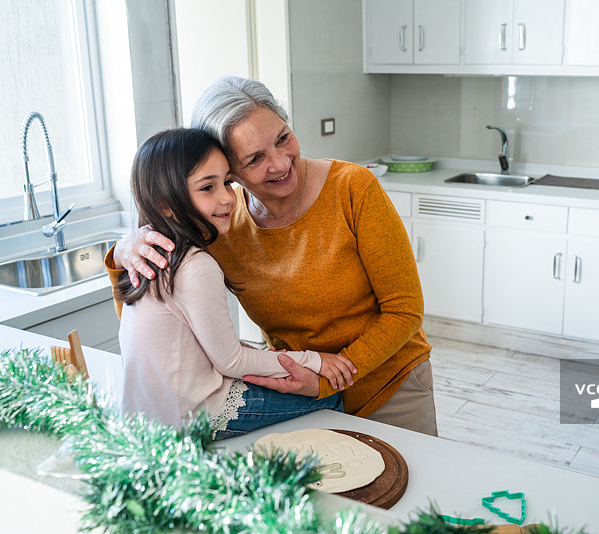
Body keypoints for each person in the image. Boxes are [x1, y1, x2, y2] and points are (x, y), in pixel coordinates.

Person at [108, 76, 438, 436]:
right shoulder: (219, 225)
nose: (281, 164)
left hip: (387, 386)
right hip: (299, 398)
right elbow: (152, 313)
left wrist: (329, 380)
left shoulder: (353, 189)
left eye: (283, 138)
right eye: (254, 159)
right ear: (228, 169)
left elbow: (404, 310)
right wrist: (122, 253)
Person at [115, 128, 351, 439]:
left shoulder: (150, 252)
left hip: (148, 415)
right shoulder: (196, 265)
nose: (228, 197)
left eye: (227, 182)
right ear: (165, 204)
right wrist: (315, 360)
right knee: (330, 395)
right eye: (207, 188)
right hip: (191, 418)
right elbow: (232, 362)